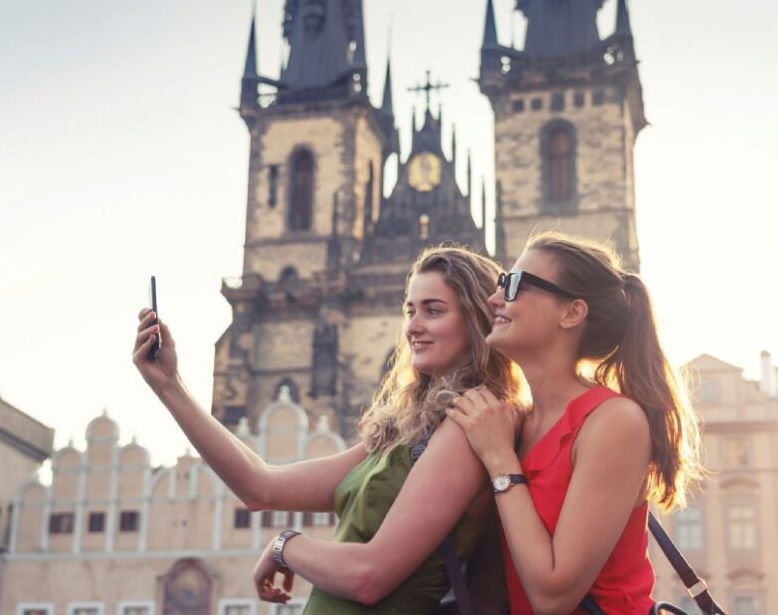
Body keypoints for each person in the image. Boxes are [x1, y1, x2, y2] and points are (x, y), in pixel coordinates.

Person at [132, 246, 522, 613]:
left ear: (475, 320)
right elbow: (260, 486)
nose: (412, 327)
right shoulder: (410, 430)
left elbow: (369, 576)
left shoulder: (469, 422)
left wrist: (286, 545)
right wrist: (169, 384)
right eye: (410, 311)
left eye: (433, 311)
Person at [447, 231, 703, 615]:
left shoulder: (614, 420)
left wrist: (500, 460)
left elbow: (553, 596)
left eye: (514, 284)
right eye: (502, 283)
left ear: (571, 313)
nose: (495, 298)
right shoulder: (516, 422)